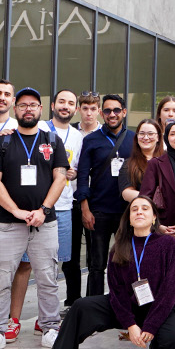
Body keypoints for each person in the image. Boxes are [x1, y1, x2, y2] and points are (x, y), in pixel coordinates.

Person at [34, 196, 175, 349]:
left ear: (154, 217)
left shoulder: (169, 244)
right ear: (129, 218)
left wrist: (151, 326)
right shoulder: (119, 247)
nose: (139, 212)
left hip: (158, 309)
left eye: (145, 208)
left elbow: (170, 291)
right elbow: (116, 292)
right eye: (134, 209)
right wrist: (131, 325)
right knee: (80, 307)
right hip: (128, 307)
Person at [0, 88, 68, 348]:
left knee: (48, 277)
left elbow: (61, 177)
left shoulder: (52, 141)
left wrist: (43, 209)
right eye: (22, 105)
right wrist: (16, 211)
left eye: (33, 105)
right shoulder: (2, 142)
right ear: (15, 109)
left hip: (45, 221)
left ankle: (50, 328)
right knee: (0, 277)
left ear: (41, 110)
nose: (28, 109)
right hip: (8, 223)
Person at [75, 94, 134, 298]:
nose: (112, 114)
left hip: (126, 212)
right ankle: (94, 308)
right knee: (96, 265)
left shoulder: (134, 139)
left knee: (125, 262)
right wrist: (85, 209)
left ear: (123, 112)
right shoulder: (91, 140)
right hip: (98, 211)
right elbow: (82, 177)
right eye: (107, 110)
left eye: (116, 110)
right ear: (102, 113)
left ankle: (123, 306)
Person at [45, 89, 84, 306]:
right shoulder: (41, 128)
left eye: (70, 103)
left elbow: (77, 167)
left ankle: (50, 310)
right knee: (31, 262)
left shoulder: (77, 136)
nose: (65, 106)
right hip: (40, 203)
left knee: (60, 260)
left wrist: (74, 172)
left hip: (64, 205)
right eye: (61, 102)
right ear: (52, 105)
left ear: (75, 109)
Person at [136, 120, 175, 235]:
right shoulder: (156, 164)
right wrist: (157, 226)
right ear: (166, 138)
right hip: (162, 229)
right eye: (172, 134)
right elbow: (145, 198)